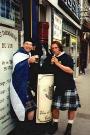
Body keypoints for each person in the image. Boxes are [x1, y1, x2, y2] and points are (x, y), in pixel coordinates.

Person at [42, 41, 81, 135]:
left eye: (56, 47)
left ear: (60, 48)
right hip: (57, 86)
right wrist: (50, 63)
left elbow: (71, 71)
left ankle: (69, 126)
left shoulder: (67, 57)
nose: (54, 49)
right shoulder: (51, 58)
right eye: (52, 48)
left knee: (72, 108)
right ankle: (55, 124)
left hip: (68, 86)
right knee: (55, 107)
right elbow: (44, 70)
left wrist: (57, 64)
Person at [10, 41, 39, 135]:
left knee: (31, 108)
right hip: (19, 86)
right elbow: (17, 68)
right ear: (23, 45)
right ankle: (22, 130)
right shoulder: (18, 55)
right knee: (22, 108)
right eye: (27, 44)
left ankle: (28, 128)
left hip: (26, 85)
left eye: (30, 45)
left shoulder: (28, 54)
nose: (28, 46)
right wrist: (28, 61)